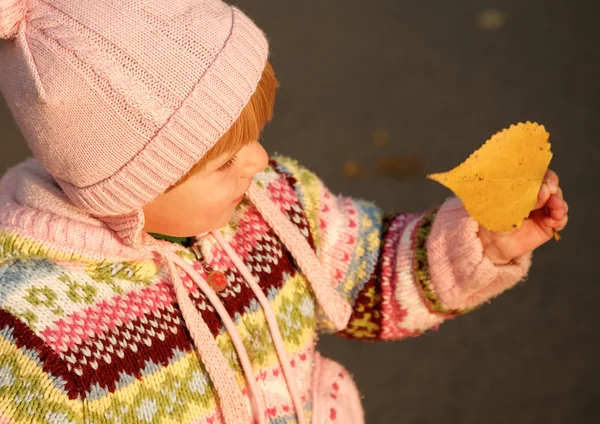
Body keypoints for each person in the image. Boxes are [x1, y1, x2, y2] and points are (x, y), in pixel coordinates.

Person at [0, 0, 569, 423]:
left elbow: (365, 279)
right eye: (224, 162)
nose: (260, 161)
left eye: (257, 136)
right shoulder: (32, 332)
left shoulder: (273, 201)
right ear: (125, 191)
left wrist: (479, 246)